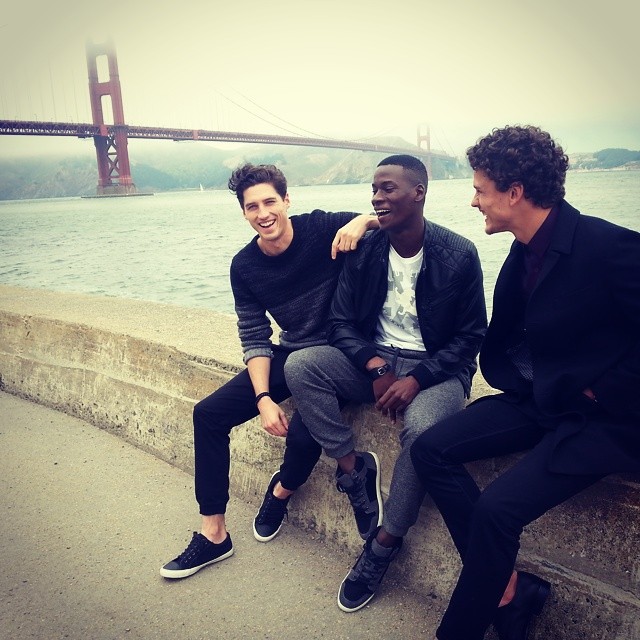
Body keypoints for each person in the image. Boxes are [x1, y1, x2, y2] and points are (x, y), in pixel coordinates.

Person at [410, 125, 640, 640]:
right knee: (430, 449)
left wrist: (601, 390)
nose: (473, 202)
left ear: (514, 193)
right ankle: (509, 590)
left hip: (602, 419)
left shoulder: (608, 246)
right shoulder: (524, 247)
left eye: (479, 190)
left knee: (496, 510)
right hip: (541, 398)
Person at [283, 154, 487, 612]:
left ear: (419, 193)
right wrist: (375, 365)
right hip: (376, 360)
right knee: (301, 367)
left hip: (437, 369)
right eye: (374, 189)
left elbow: (472, 336)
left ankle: (383, 543)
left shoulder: (459, 254)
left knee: (421, 431)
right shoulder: (366, 250)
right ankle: (355, 472)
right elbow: (340, 323)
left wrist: (419, 378)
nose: (377, 196)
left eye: (388, 188)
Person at [160, 163, 379, 579]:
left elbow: (394, 222)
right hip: (292, 350)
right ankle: (214, 535)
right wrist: (262, 398)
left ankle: (281, 489)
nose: (263, 213)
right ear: (243, 213)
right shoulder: (244, 266)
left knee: (303, 432)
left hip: (341, 354)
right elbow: (256, 335)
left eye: (270, 202)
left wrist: (363, 220)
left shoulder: (320, 229)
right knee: (208, 414)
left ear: (286, 201)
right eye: (252, 206)